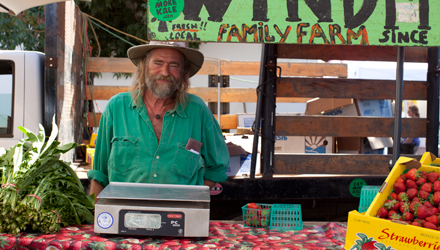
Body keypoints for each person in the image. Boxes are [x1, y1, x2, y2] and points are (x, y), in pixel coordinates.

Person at [87, 41, 230, 200]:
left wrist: (190, 199)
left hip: (178, 215)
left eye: (174, 65)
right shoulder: (117, 107)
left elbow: (216, 167)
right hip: (125, 214)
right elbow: (99, 174)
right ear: (144, 67)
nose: (165, 72)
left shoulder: (198, 111)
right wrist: (97, 216)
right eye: (158, 63)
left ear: (183, 73)